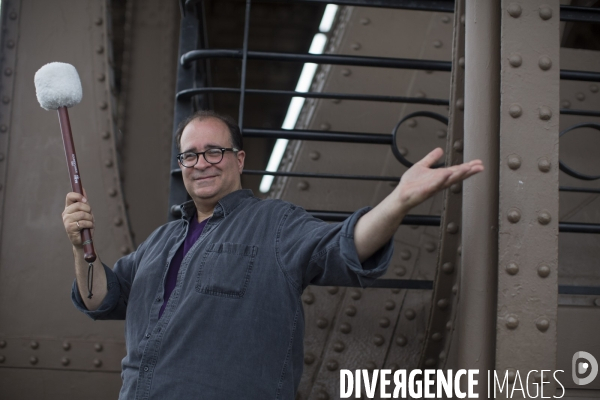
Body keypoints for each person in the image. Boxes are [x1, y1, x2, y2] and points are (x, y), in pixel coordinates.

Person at [62, 110, 483, 399]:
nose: (201, 163)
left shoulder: (276, 224)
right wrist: (83, 249)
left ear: (239, 159)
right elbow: (101, 298)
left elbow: (345, 245)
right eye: (190, 155)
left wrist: (399, 201)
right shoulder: (160, 241)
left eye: (214, 151)